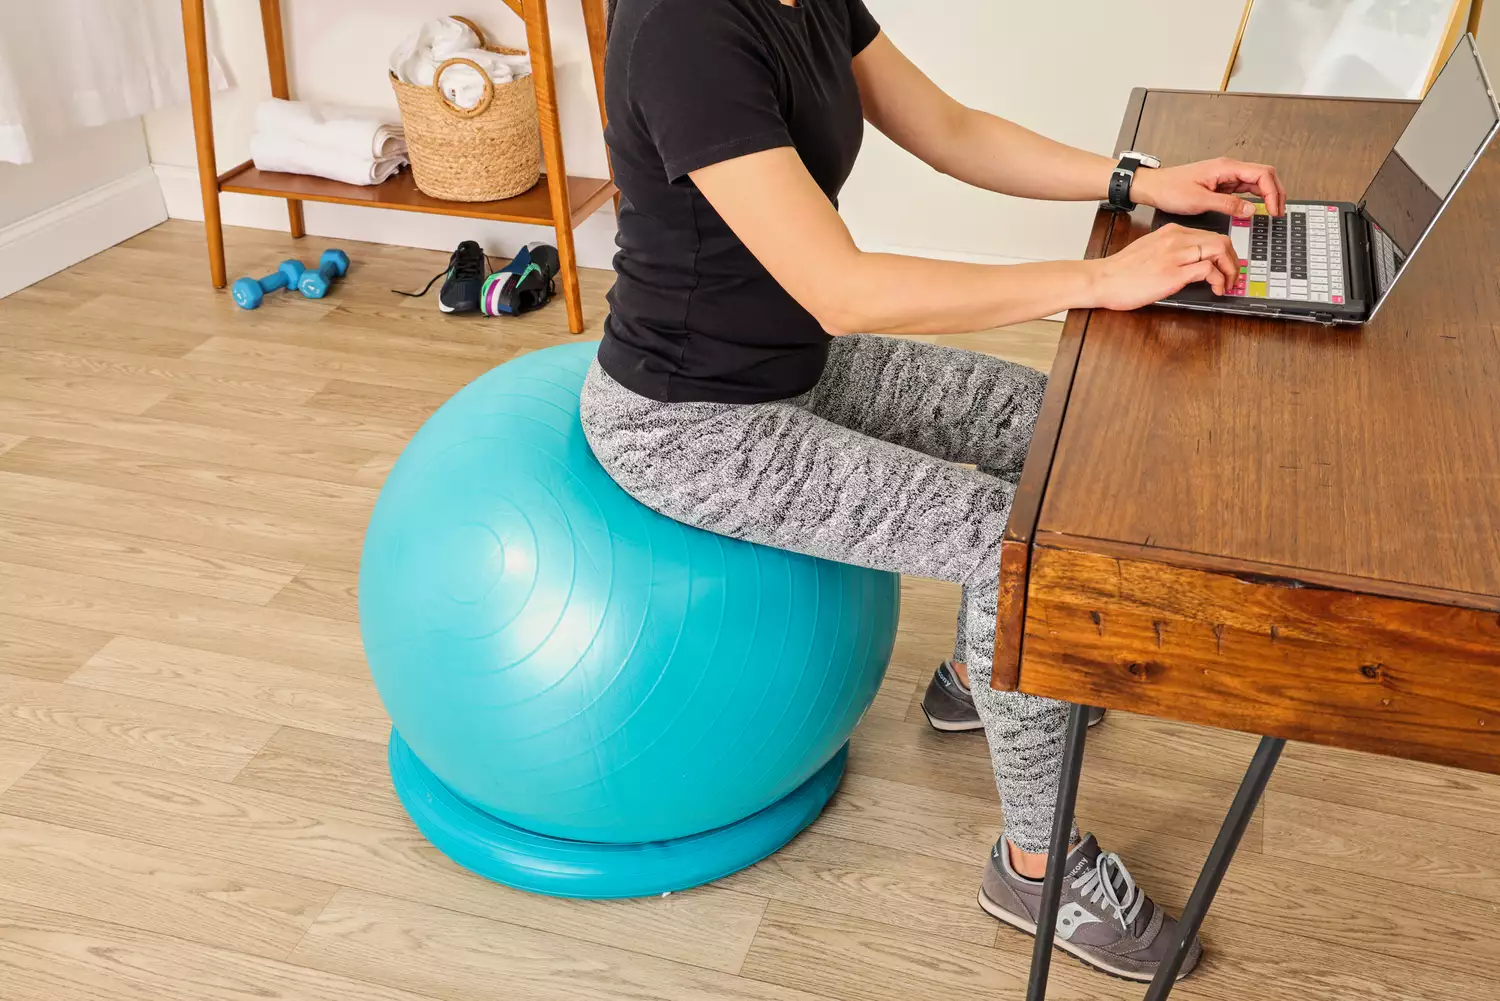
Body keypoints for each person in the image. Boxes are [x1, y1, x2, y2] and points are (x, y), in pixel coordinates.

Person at [581, 0, 1285, 982]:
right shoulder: (685, 30)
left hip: (795, 364)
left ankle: (976, 676)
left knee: (1063, 429)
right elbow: (843, 287)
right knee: (1010, 540)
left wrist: (1140, 179)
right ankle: (1036, 868)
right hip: (692, 421)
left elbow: (950, 132)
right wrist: (1097, 279)